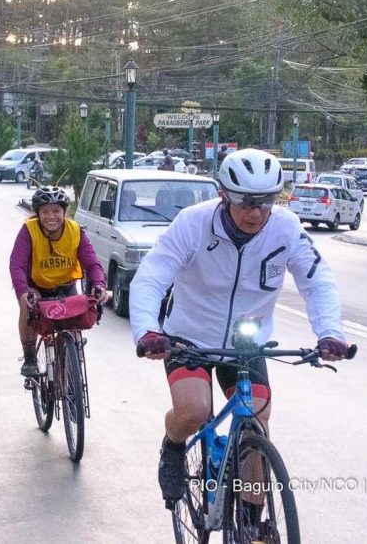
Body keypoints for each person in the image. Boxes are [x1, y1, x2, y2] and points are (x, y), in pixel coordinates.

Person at [128, 148, 350, 505]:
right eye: (246, 202)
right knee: (195, 411)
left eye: (266, 202)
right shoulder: (193, 224)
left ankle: (252, 524)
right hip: (189, 339)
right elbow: (151, 277)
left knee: (257, 428)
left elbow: (317, 280)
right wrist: (147, 331)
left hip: (247, 343)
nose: (256, 213)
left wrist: (330, 333)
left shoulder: (285, 228)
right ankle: (172, 447)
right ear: (223, 195)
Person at [9, 186, 107, 376]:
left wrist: (98, 285)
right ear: (37, 214)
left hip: (66, 286)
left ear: (64, 212)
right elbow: (17, 265)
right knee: (28, 308)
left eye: (56, 211)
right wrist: (23, 292)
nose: (50, 216)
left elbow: (92, 263)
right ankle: (29, 356)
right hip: (37, 286)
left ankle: (73, 354)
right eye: (45, 212)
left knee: (74, 323)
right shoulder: (28, 231)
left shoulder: (76, 231)